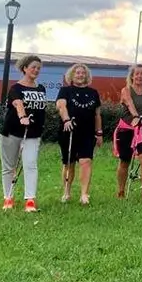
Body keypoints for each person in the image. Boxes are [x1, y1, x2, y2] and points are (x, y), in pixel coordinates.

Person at [0, 55, 47, 212]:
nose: (36, 70)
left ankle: (30, 200)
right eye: (33, 67)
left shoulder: (41, 89)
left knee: (30, 164)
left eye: (38, 68)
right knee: (9, 166)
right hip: (12, 131)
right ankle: (8, 197)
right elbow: (17, 103)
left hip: (33, 133)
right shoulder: (15, 88)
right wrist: (22, 116)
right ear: (24, 68)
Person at [56, 63, 102, 205]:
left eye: (83, 73)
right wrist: (66, 120)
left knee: (85, 161)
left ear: (86, 76)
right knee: (69, 163)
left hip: (87, 133)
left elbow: (97, 115)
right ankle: (67, 192)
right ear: (72, 75)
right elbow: (61, 106)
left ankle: (84, 194)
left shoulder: (93, 93)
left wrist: (99, 132)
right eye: (77, 73)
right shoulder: (65, 90)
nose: (80, 75)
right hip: (69, 131)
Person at [114, 63, 142, 201]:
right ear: (132, 76)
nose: (139, 76)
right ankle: (121, 190)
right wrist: (136, 117)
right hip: (127, 128)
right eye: (136, 73)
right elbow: (130, 103)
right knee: (124, 161)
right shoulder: (126, 90)